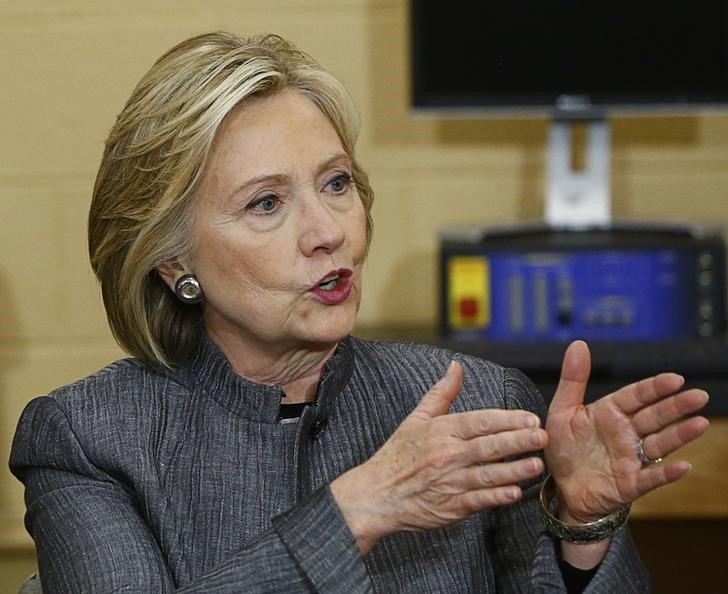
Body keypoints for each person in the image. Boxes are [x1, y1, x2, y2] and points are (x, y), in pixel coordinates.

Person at [9, 32, 709, 593]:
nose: (328, 231)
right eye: (266, 204)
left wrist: (582, 529)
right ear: (174, 262)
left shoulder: (478, 400)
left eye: (336, 183)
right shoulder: (87, 440)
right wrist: (356, 513)